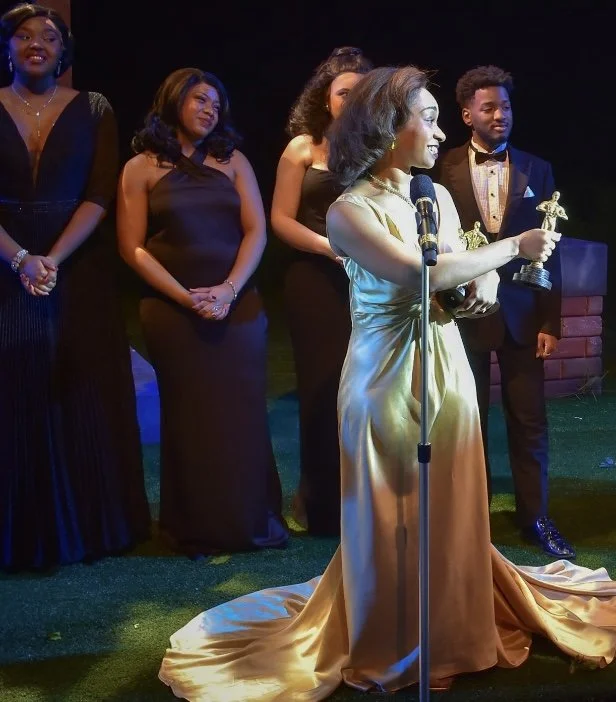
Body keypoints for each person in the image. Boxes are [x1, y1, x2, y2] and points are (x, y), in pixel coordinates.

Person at [157, 66, 616, 700]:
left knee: (451, 503)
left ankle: (452, 633)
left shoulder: (436, 199)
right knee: (393, 512)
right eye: (427, 118)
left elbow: (460, 280)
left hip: (446, 367)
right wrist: (513, 248)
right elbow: (416, 274)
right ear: (385, 127)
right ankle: (395, 642)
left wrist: (479, 292)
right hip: (385, 378)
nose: (440, 131)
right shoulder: (348, 211)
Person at [0, 2, 149, 571]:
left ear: (64, 51)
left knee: (80, 388)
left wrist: (52, 259)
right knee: (14, 388)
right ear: (8, 48)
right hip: (6, 260)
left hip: (77, 262)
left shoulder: (94, 108)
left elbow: (99, 192)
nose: (36, 43)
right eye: (23, 35)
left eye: (49, 36)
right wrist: (20, 259)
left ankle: (89, 526)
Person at [117, 68, 288, 557]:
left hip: (237, 305)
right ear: (174, 101)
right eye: (199, 99)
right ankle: (192, 528)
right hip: (172, 310)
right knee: (190, 417)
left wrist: (229, 290)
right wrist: (185, 296)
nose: (210, 110)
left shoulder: (233, 161)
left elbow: (256, 231)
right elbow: (132, 247)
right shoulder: (140, 168)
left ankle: (251, 522)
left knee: (240, 414)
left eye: (216, 103)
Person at [433, 64, 574, 559]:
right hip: (463, 311)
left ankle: (536, 517)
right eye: (489, 107)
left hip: (522, 313)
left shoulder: (538, 168)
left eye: (506, 106)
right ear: (466, 114)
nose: (500, 115)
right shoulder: (440, 168)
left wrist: (550, 321)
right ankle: (470, 517)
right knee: (465, 421)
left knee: (529, 421)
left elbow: (551, 248)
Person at [270, 46, 372, 537]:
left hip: (369, 279)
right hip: (314, 279)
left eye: (360, 93)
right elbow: (279, 219)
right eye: (342, 92)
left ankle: (365, 496)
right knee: (322, 388)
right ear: (325, 99)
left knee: (366, 388)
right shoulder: (303, 148)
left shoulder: (379, 147)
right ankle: (320, 501)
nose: (351, 101)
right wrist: (329, 248)